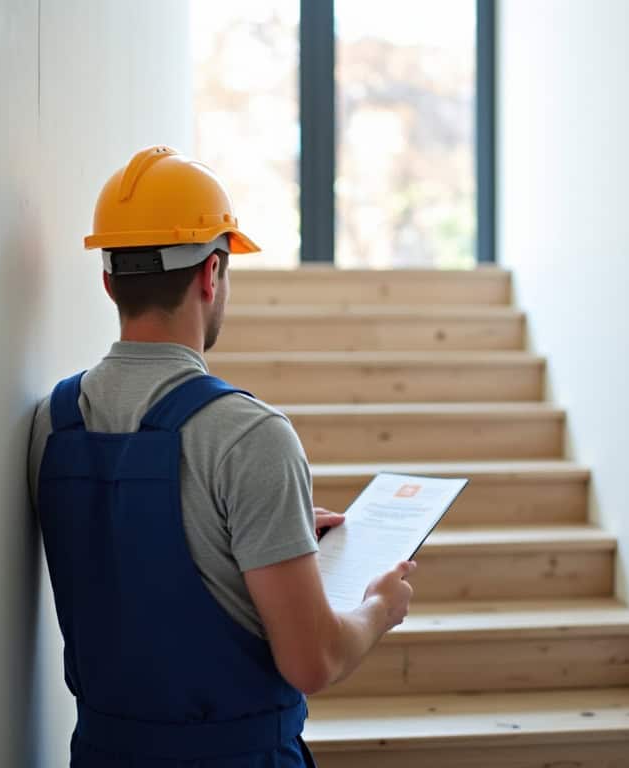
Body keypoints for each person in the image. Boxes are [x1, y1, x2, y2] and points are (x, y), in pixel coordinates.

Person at [27, 146, 415, 767]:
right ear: (211, 273)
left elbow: (131, 550)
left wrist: (256, 534)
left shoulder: (53, 419)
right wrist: (378, 608)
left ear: (109, 282)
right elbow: (312, 660)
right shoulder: (249, 435)